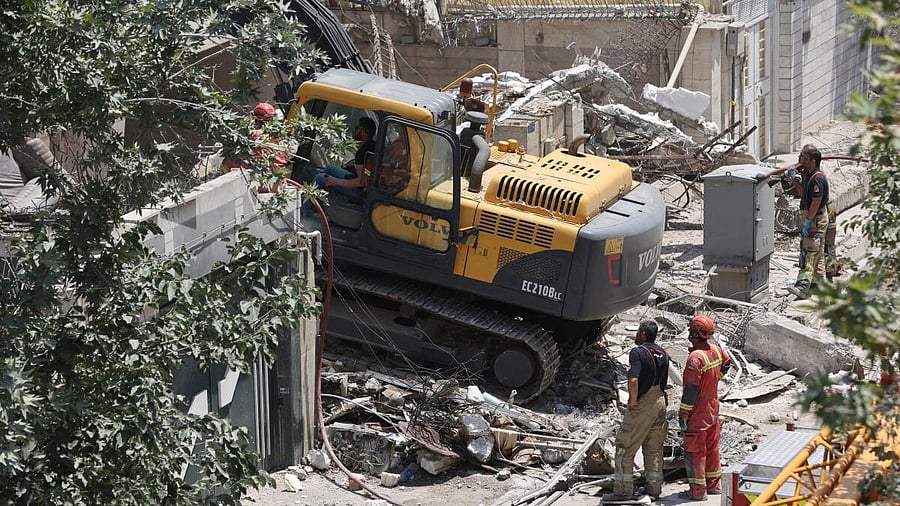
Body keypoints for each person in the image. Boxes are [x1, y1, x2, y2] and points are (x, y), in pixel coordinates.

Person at [603, 320, 670, 503]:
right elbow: (664, 382)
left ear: (642, 333)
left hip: (644, 403)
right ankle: (654, 489)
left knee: (624, 447)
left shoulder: (638, 352)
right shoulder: (663, 353)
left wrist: (632, 402)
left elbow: (633, 380)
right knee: (654, 449)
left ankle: (623, 491)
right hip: (660, 401)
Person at [764, 145, 840, 287]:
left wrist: (808, 221)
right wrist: (769, 175)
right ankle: (818, 284)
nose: (800, 160)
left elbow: (815, 203)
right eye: (800, 157)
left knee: (812, 250)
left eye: (804, 158)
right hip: (815, 215)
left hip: (819, 215)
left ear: (812, 161)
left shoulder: (817, 178)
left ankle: (806, 284)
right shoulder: (806, 172)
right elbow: (802, 191)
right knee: (818, 252)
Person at [678, 314, 731, 501]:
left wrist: (683, 413)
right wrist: (716, 379)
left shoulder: (695, 358)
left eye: (691, 330)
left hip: (698, 413)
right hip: (712, 408)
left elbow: (691, 390)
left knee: (695, 452)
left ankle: (697, 491)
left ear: (695, 333)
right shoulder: (716, 350)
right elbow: (727, 363)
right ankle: (714, 486)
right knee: (712, 448)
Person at [313, 117, 376, 204]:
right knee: (329, 168)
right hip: (366, 187)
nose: (354, 130)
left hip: (362, 194)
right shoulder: (372, 146)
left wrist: (335, 181)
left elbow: (361, 182)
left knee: (321, 178)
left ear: (364, 133)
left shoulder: (363, 153)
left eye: (357, 128)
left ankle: (302, 209)